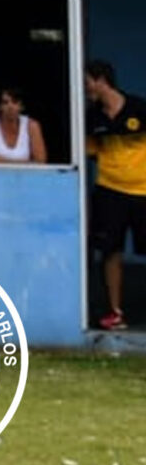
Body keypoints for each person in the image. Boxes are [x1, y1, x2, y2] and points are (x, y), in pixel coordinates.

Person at [85, 60, 146, 330]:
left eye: (87, 81)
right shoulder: (92, 116)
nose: (85, 88)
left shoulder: (139, 108)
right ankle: (115, 312)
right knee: (111, 252)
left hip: (143, 191)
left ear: (100, 80)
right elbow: (91, 152)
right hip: (109, 192)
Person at [0, 87, 48, 164]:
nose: (10, 107)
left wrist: (3, 162)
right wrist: (25, 163)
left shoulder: (31, 125)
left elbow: (40, 160)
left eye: (15, 102)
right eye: (5, 102)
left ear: (22, 106)